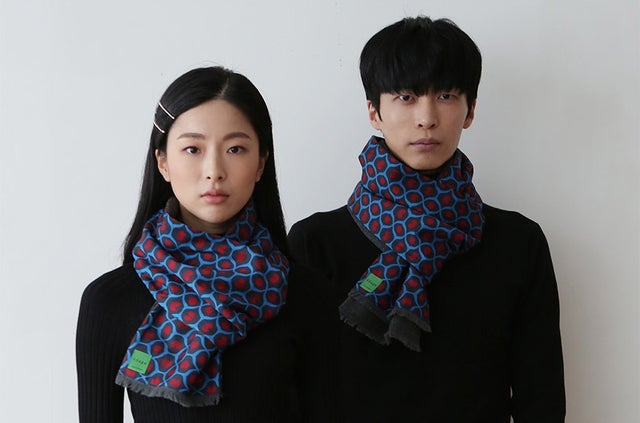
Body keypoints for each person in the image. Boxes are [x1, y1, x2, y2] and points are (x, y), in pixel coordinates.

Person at [288, 16, 566, 422]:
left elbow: (540, 396)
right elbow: (295, 391)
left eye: (446, 95)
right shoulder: (316, 243)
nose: (426, 117)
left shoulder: (518, 243)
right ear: (374, 111)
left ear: (470, 110)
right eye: (406, 96)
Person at [76, 67, 303, 422]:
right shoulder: (110, 301)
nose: (214, 171)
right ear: (163, 162)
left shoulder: (305, 295)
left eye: (235, 148)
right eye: (193, 149)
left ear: (261, 163)